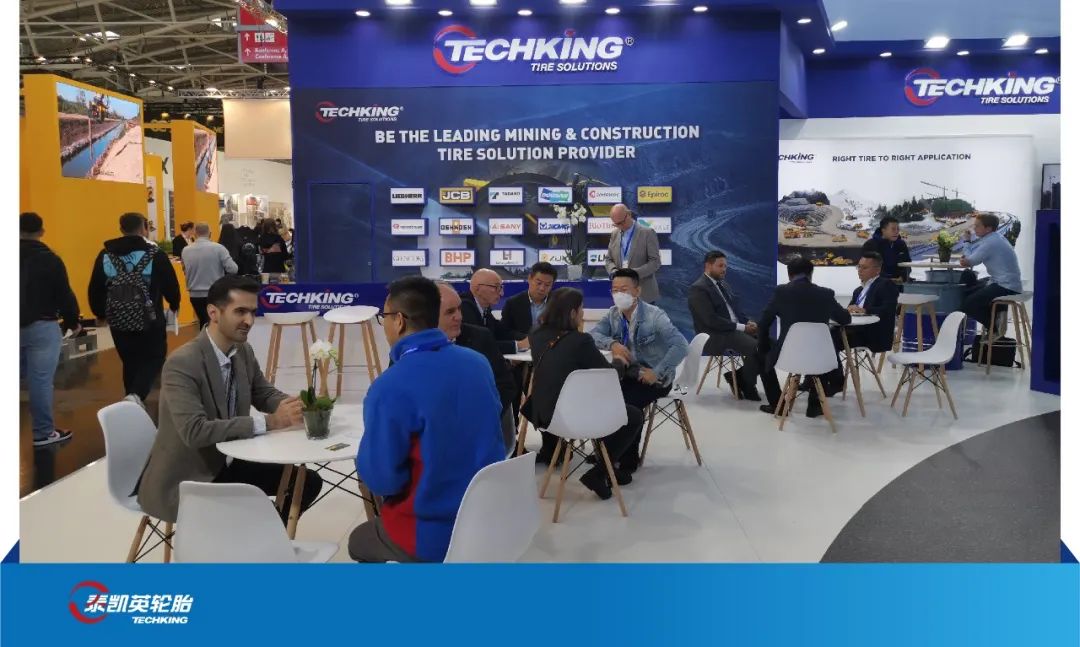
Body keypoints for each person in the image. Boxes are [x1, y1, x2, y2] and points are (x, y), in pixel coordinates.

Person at [137, 275, 322, 525]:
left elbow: (262, 392)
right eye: (240, 311)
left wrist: (295, 406)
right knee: (258, 510)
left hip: (228, 461)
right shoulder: (182, 363)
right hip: (189, 477)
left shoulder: (241, 350)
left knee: (307, 482)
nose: (249, 321)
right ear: (213, 313)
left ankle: (263, 540)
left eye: (252, 312)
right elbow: (194, 431)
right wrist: (270, 422)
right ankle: (256, 538)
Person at [349, 276, 505, 563]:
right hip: (489, 521)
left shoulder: (389, 386)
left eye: (384, 317)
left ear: (398, 321)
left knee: (358, 540)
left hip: (431, 534)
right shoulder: (478, 364)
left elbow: (383, 481)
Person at [527, 287, 642, 496]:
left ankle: (607, 468)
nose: (583, 314)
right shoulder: (580, 341)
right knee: (632, 415)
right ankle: (600, 471)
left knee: (603, 405)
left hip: (542, 412)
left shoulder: (536, 334)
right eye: (581, 309)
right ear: (572, 313)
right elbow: (608, 376)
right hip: (571, 416)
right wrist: (619, 362)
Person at [589, 269, 688, 472]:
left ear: (637, 291)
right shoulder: (613, 314)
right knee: (603, 397)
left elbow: (680, 345)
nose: (619, 294)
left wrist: (657, 372)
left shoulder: (655, 315)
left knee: (629, 405)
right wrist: (612, 343)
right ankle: (608, 452)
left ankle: (627, 460)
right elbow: (594, 335)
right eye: (615, 290)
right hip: (629, 374)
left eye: (624, 289)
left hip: (655, 378)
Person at [88, 213, 181, 404]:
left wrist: (100, 312)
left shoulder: (106, 255)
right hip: (150, 317)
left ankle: (131, 398)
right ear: (143, 229)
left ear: (121, 229)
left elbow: (95, 287)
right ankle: (136, 395)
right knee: (155, 356)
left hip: (118, 318)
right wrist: (174, 304)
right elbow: (170, 283)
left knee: (129, 360)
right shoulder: (155, 254)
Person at [757, 256, 851, 418]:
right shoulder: (826, 294)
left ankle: (778, 405)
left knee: (760, 354)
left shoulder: (781, 292)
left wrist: (764, 346)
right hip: (821, 358)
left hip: (788, 356)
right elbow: (845, 319)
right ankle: (814, 406)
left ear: (789, 275)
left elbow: (763, 323)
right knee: (820, 348)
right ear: (810, 274)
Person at [20, 213, 80, 447]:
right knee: (40, 381)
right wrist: (72, 321)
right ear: (41, 231)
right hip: (42, 326)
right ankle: (43, 433)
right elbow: (64, 293)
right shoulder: (50, 259)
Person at [435, 281, 518, 452]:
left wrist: (481, 418)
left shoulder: (481, 338)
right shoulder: (409, 346)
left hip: (481, 433)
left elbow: (505, 385)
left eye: (459, 309)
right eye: (450, 312)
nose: (459, 316)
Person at [687, 250, 763, 401]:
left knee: (769, 346)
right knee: (755, 348)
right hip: (714, 335)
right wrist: (742, 327)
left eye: (725, 266)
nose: (724, 269)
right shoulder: (698, 288)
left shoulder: (723, 284)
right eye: (720, 266)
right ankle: (748, 384)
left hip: (733, 329)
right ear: (708, 266)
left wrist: (747, 322)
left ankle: (739, 378)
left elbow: (736, 310)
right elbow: (711, 320)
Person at [958, 213, 1023, 330]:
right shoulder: (996, 238)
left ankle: (994, 329)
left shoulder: (990, 243)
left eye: (977, 226)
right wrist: (968, 251)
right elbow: (971, 256)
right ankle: (997, 315)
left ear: (988, 229)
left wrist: (966, 242)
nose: (974, 229)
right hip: (1007, 283)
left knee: (968, 304)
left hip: (1005, 286)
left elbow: (969, 261)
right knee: (970, 286)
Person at [182, 222, 238, 329]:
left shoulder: (185, 250)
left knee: (204, 322)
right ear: (210, 233)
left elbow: (184, 270)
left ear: (195, 234)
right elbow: (233, 269)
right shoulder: (219, 248)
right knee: (215, 324)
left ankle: (204, 339)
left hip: (195, 295)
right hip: (215, 293)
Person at [604, 203, 661, 303]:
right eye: (616, 224)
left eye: (621, 222)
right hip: (621, 295)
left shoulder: (647, 233)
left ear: (629, 214)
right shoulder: (614, 234)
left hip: (644, 294)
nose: (619, 226)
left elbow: (655, 262)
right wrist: (614, 271)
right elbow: (608, 259)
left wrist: (634, 274)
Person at [459, 268, 526, 353]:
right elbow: (479, 345)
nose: (501, 293)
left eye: (501, 288)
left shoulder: (485, 309)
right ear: (477, 289)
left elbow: (501, 332)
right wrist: (518, 345)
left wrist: (530, 338)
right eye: (496, 287)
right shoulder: (463, 308)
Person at [843, 252, 900, 353]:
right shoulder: (858, 290)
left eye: (864, 268)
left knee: (832, 337)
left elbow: (888, 309)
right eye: (859, 267)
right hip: (855, 329)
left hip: (874, 334)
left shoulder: (886, 285)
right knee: (828, 333)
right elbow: (851, 308)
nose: (860, 270)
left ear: (878, 270)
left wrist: (865, 310)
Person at [501, 261, 556, 337]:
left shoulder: (558, 303)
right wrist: (527, 339)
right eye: (539, 283)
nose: (542, 288)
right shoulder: (512, 303)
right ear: (530, 279)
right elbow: (504, 331)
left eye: (547, 285)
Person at [861, 216, 911, 282]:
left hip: (898, 282)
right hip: (876, 283)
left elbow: (907, 263)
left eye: (898, 229)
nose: (896, 232)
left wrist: (902, 277)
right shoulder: (870, 245)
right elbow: (866, 268)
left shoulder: (901, 244)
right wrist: (887, 280)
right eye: (893, 229)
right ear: (883, 230)